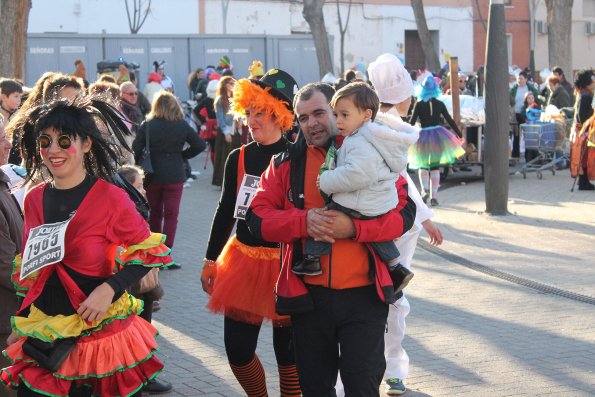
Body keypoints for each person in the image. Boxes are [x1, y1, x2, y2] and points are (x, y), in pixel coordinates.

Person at [246, 82, 416, 396]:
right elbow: (256, 220)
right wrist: (303, 222)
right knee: (314, 389)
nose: (312, 123)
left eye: (320, 113)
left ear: (338, 112)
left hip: (364, 298)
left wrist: (356, 229)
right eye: (303, 117)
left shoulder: (373, 151)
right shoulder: (284, 164)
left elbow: (405, 213)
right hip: (309, 300)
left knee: (362, 386)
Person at [0, 97, 173, 397]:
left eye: (64, 140)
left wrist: (109, 289)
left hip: (97, 336)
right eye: (45, 141)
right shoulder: (34, 198)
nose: (53, 150)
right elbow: (33, 268)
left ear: (86, 144)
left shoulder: (111, 198)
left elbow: (148, 253)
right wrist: (24, 318)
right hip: (45, 333)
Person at [200, 69, 301, 397]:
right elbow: (225, 209)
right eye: (249, 113)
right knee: (238, 351)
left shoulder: (299, 158)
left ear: (279, 114)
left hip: (287, 264)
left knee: (289, 354)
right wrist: (209, 258)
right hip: (244, 262)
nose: (251, 121)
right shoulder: (238, 157)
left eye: (260, 113)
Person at [367, 52, 444, 396]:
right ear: (404, 96)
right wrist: (426, 219)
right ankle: (389, 370)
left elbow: (404, 181)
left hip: (381, 225)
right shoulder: (389, 129)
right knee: (393, 300)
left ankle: (384, 370)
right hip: (391, 227)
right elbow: (403, 180)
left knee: (382, 301)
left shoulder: (373, 126)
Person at [296, 82, 418, 293]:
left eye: (344, 115)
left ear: (365, 115)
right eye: (337, 115)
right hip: (374, 202)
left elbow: (357, 174)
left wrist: (326, 179)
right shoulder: (366, 138)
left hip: (362, 202)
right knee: (371, 231)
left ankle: (313, 258)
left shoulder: (359, 141)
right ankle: (395, 266)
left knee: (325, 218)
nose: (339, 121)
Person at [115, 164, 172, 394]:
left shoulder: (138, 207)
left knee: (144, 330)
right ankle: (141, 377)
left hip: (142, 286)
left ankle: (145, 374)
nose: (144, 191)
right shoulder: (125, 208)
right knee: (137, 332)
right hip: (132, 287)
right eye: (139, 186)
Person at [132, 91, 206, 268]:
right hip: (174, 173)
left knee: (155, 213)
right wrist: (182, 155)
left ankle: (154, 252)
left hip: (152, 174)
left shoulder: (148, 125)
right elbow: (200, 144)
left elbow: (136, 147)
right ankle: (167, 253)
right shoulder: (180, 125)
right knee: (172, 215)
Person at [409, 75, 465, 206]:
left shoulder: (418, 104)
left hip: (422, 136)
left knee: (422, 165)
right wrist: (459, 134)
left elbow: (411, 122)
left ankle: (424, 190)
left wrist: (404, 133)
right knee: (435, 167)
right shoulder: (439, 104)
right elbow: (449, 120)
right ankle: (434, 197)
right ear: (435, 89)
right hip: (438, 136)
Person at [0, 115, 23, 397]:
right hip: (4, 318)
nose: (9, 144)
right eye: (1, 138)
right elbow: (5, 265)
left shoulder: (5, 180)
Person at [212, 75, 240, 187]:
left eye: (234, 83)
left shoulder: (235, 98)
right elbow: (220, 119)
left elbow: (238, 111)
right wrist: (226, 133)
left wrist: (240, 119)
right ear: (224, 85)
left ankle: (232, 181)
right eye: (230, 83)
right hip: (225, 131)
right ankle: (222, 181)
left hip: (235, 130)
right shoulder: (220, 99)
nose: (233, 86)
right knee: (224, 156)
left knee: (234, 156)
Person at [570, 69, 595, 190]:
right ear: (586, 82)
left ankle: (583, 181)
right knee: (585, 157)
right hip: (584, 130)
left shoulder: (583, 94)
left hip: (582, 130)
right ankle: (584, 182)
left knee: (584, 157)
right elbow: (581, 115)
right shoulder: (585, 96)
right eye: (592, 81)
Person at [510, 71, 540, 158]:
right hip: (516, 114)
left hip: (526, 114)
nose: (519, 80)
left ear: (526, 79)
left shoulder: (530, 89)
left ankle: (530, 155)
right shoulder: (515, 89)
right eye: (518, 78)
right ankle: (515, 155)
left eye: (521, 78)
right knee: (516, 135)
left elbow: (537, 100)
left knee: (528, 134)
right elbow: (511, 100)